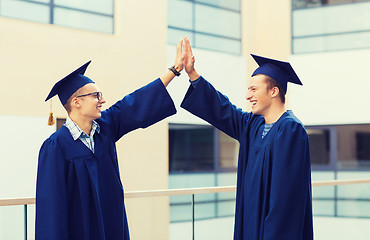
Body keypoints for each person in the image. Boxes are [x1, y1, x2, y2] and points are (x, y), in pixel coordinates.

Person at [35, 40, 185, 240]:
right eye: (96, 95)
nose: (102, 100)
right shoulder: (55, 146)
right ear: (77, 102)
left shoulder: (106, 127)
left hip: (112, 227)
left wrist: (174, 70)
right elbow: (51, 210)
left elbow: (135, 102)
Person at [180, 37, 313, 239]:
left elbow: (285, 202)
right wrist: (192, 74)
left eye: (253, 89)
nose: (247, 95)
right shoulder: (253, 125)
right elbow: (223, 109)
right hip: (250, 226)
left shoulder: (290, 130)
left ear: (274, 91)